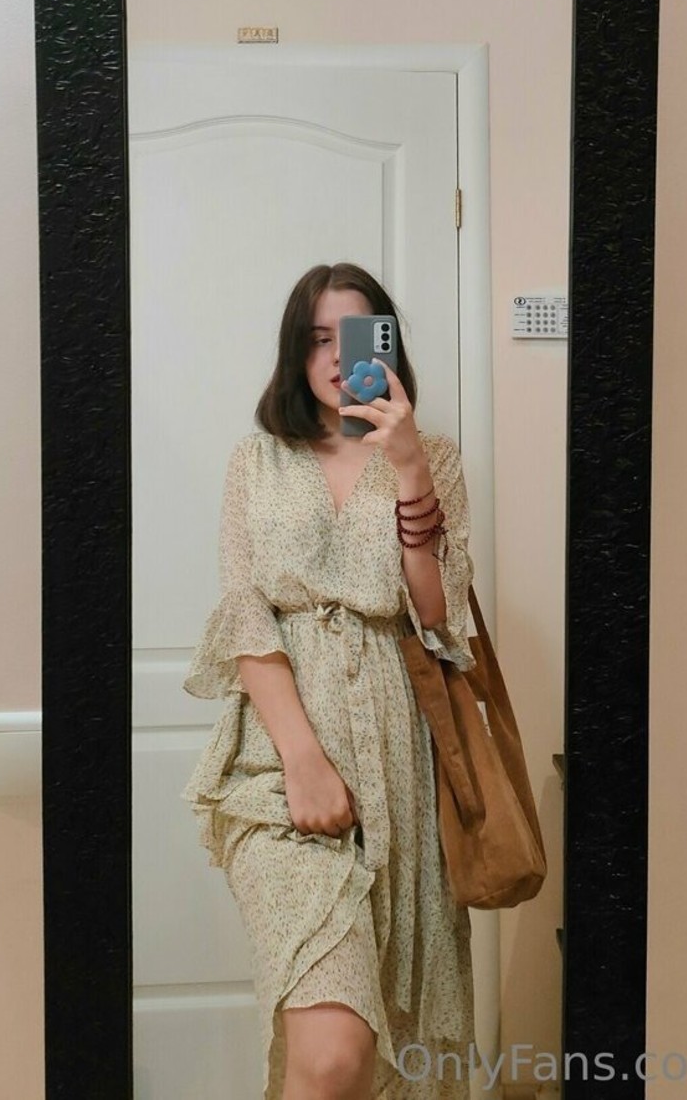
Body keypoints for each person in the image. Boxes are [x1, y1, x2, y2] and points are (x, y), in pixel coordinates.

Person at [181, 262, 476, 1100]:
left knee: (384, 1048)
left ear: (384, 343)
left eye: (352, 335)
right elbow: (246, 612)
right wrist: (304, 760)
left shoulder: (433, 457)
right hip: (278, 764)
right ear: (295, 351)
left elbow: (438, 614)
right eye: (317, 338)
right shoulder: (258, 460)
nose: (336, 357)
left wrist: (409, 467)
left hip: (398, 765)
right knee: (334, 1049)